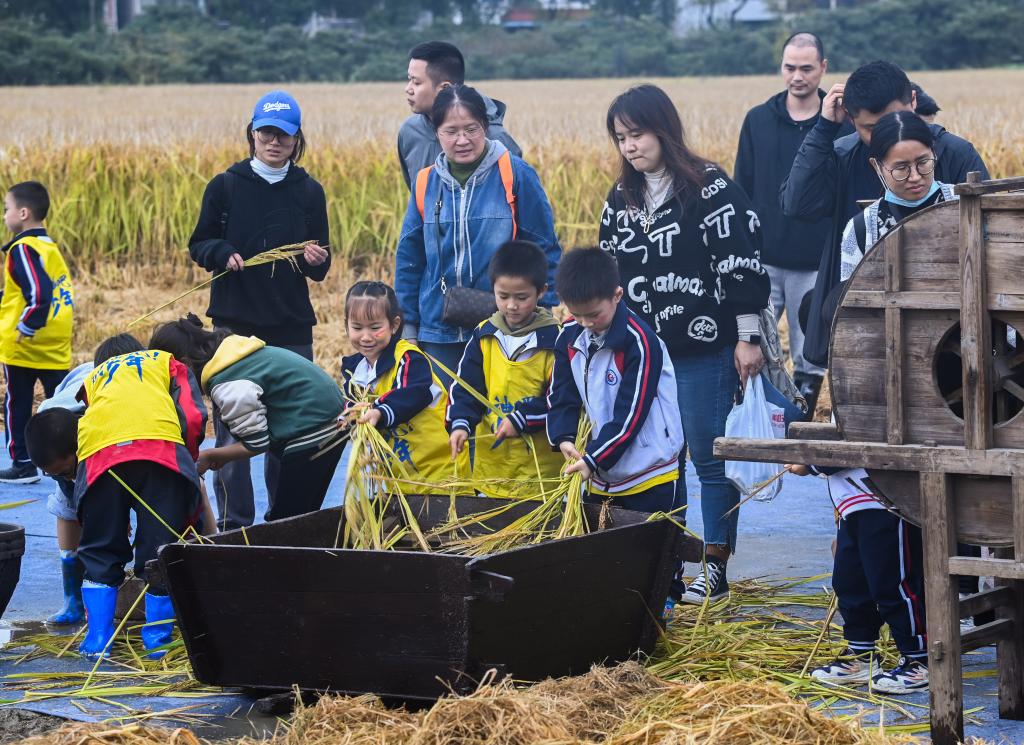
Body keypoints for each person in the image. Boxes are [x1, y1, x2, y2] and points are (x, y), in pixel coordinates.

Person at [598, 85, 770, 604]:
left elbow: (740, 263)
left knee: (708, 456)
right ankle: (665, 566)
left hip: (704, 348)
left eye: (637, 134)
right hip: (645, 352)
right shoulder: (621, 198)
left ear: (664, 130)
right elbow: (609, 268)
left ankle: (715, 568)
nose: (630, 146)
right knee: (660, 459)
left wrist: (747, 337)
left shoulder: (709, 187)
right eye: (621, 138)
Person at [781, 60, 988, 369]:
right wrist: (823, 129)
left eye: (922, 164)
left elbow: (988, 229)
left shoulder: (955, 153)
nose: (889, 135)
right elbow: (797, 204)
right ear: (850, 118)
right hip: (873, 328)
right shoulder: (843, 156)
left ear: (913, 102)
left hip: (955, 320)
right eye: (872, 129)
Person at [188, 89, 331, 531]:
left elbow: (321, 266)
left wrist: (316, 259)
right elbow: (199, 243)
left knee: (287, 428)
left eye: (283, 135)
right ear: (251, 134)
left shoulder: (309, 191)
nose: (274, 142)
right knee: (234, 428)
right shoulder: (225, 186)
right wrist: (221, 252)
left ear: (297, 139)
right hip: (233, 328)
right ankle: (235, 525)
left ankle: (281, 522)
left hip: (289, 325)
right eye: (266, 133)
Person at [24, 346, 208, 659]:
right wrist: (186, 459)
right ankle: (158, 642)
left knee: (99, 549)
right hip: (160, 454)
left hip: (99, 459)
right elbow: (192, 416)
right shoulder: (168, 363)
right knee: (160, 548)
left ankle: (98, 640)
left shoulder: (94, 377)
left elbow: (92, 417)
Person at [395, 84, 560, 382]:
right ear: (436, 132)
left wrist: (543, 315)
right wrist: (408, 327)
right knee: (445, 409)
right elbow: (410, 259)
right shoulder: (425, 183)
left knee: (502, 408)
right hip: (438, 329)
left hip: (506, 326)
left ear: (485, 126)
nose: (462, 140)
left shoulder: (515, 174)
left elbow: (544, 246)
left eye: (471, 129)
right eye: (451, 131)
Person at [734, 33, 851, 417]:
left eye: (806, 68)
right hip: (763, 261)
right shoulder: (758, 120)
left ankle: (800, 422)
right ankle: (759, 421)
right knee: (755, 346)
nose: (797, 76)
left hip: (817, 262)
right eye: (790, 67)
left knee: (809, 353)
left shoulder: (840, 124)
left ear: (823, 68)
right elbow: (742, 189)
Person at [149, 314, 346, 522]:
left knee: (287, 521)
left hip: (313, 429)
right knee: (303, 515)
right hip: (331, 420)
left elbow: (257, 442)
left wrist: (211, 455)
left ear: (185, 365)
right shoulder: (234, 356)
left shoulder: (228, 382)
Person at [546, 247, 684, 512]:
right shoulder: (569, 336)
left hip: (648, 469)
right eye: (577, 314)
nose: (585, 323)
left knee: (652, 537)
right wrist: (563, 437)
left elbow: (630, 414)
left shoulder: (640, 343)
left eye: (593, 314)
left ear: (617, 295)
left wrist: (595, 458)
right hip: (600, 471)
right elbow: (561, 394)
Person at [787, 462, 927, 693]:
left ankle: (919, 659)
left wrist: (811, 465)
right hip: (850, 502)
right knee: (850, 582)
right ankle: (861, 654)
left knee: (893, 584)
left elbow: (845, 448)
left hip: (885, 500)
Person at [446, 240, 564, 498]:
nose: (512, 305)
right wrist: (460, 423)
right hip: (492, 472)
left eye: (522, 298)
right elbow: (466, 388)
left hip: (540, 479)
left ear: (541, 292)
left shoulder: (555, 341)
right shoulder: (484, 335)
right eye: (503, 296)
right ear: (493, 289)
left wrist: (522, 419)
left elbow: (560, 401)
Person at [341, 281, 468, 492]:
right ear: (346, 326)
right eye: (357, 327)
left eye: (375, 328)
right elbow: (351, 401)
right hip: (400, 474)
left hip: (439, 470)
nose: (366, 337)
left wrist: (378, 411)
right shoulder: (354, 370)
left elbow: (411, 394)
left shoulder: (408, 358)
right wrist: (348, 415)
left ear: (394, 325)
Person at [0, 181, 74, 484]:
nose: (4, 215)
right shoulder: (48, 246)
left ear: (23, 213)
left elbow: (39, 293)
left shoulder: (22, 248)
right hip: (55, 343)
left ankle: (22, 464)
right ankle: (70, 460)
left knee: (17, 402)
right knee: (64, 403)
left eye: (6, 209)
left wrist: (26, 325)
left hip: (26, 344)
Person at [399, 41, 522, 190]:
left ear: (445, 88)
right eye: (409, 80)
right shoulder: (410, 131)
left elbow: (519, 194)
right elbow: (416, 194)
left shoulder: (496, 138)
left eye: (416, 82)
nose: (408, 89)